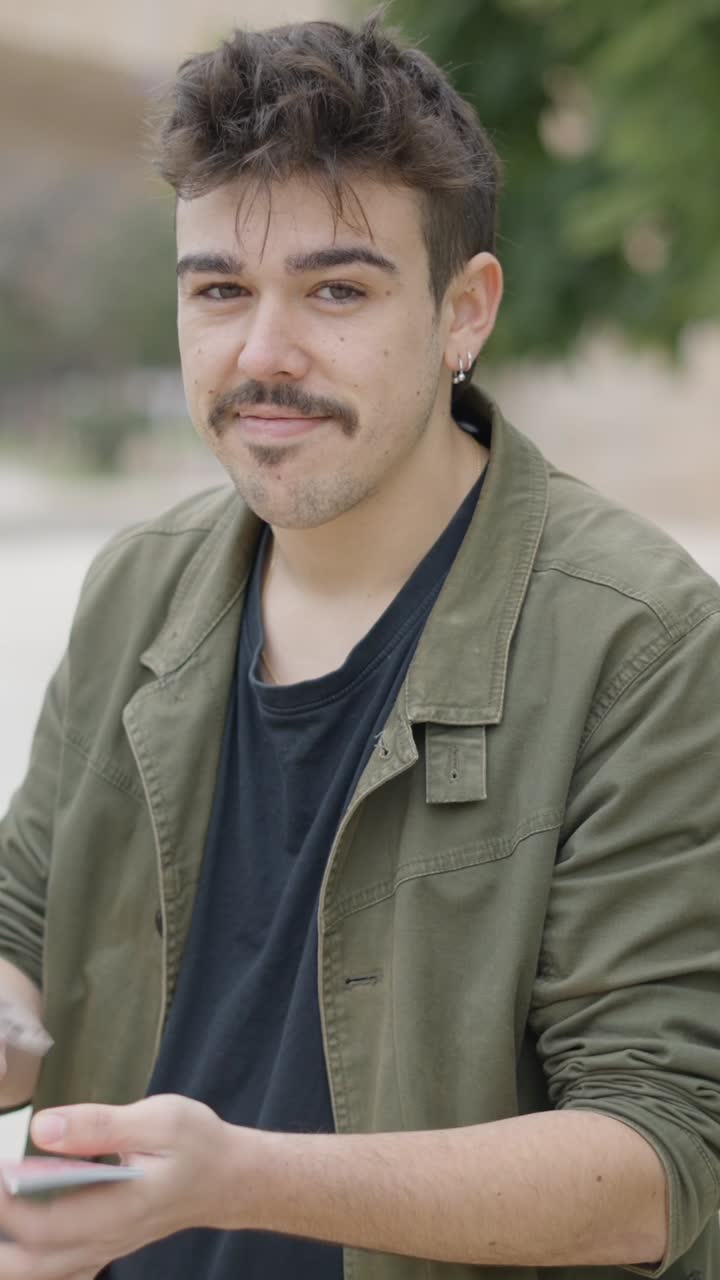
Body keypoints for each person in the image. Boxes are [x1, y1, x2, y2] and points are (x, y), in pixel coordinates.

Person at [0, 12, 719, 1280]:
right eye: (220, 288)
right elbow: (23, 919)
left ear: (464, 312)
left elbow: (661, 1161)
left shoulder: (644, 641)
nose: (262, 354)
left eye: (337, 289)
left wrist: (239, 1178)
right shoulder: (137, 585)